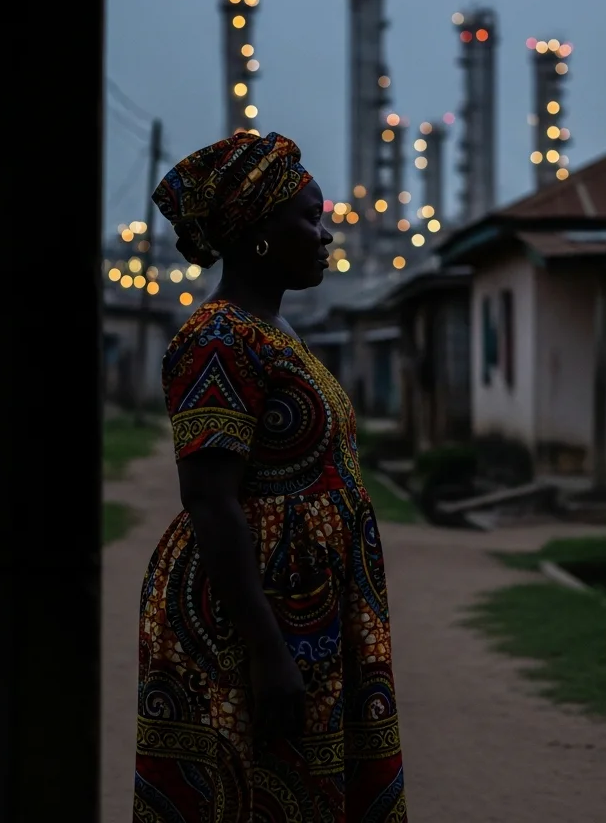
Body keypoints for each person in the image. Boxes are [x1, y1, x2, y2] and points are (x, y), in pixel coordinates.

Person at [134, 131, 407, 823]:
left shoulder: (275, 329)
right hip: (263, 614)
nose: (326, 236)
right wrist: (268, 651)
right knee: (262, 792)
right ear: (258, 233)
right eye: (310, 219)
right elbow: (209, 499)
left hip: (308, 604)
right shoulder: (218, 338)